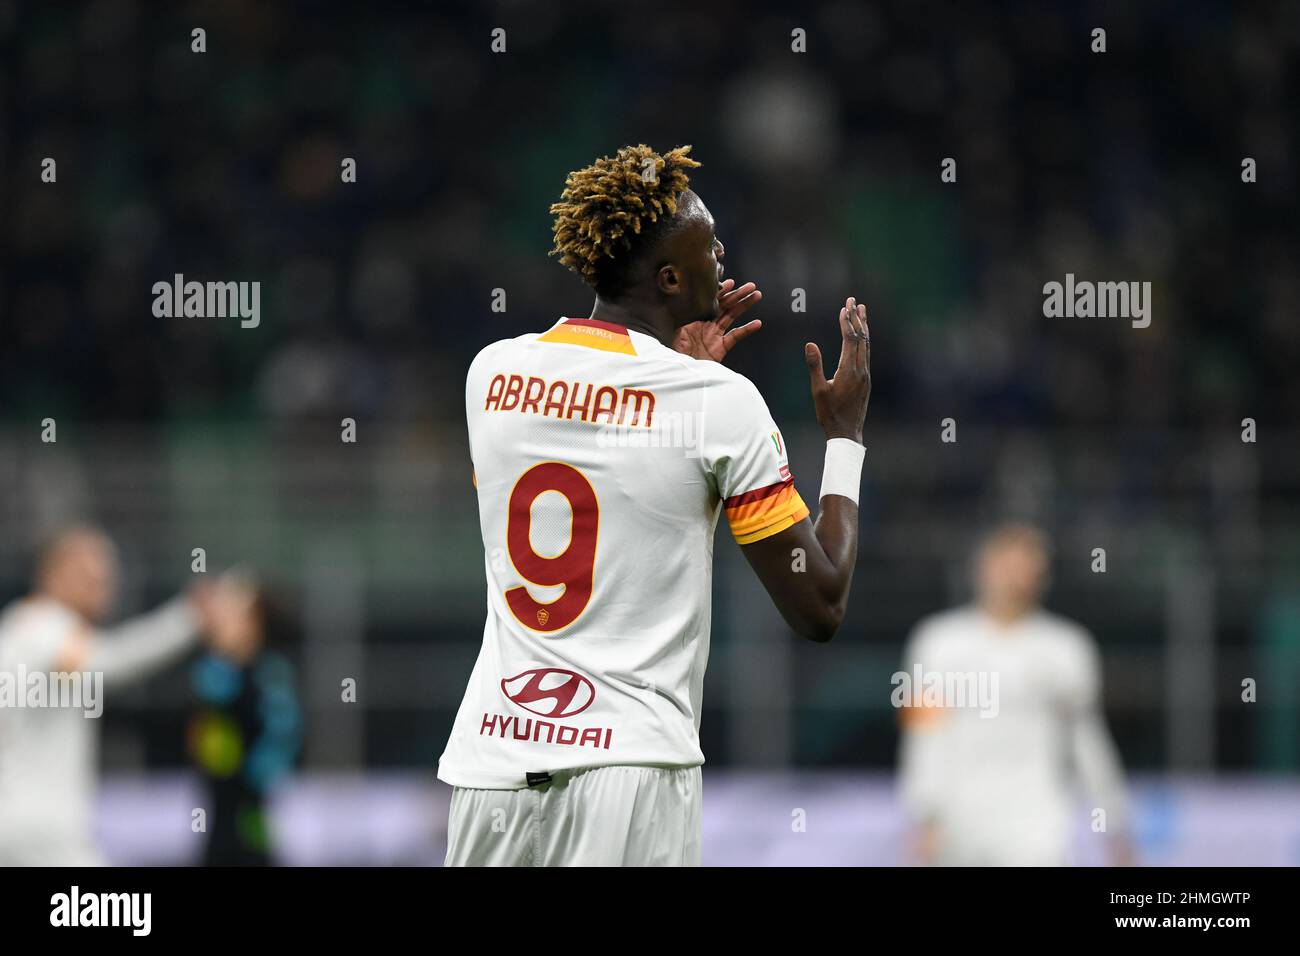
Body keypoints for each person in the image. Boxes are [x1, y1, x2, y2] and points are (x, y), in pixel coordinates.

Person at [439, 144, 873, 866]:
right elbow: (820, 603)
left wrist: (678, 370)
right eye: (711, 244)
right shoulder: (719, 404)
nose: (724, 255)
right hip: (630, 768)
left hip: (491, 769)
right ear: (670, 278)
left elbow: (600, 450)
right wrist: (846, 438)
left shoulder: (492, 372)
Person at [0, 525, 248, 865]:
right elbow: (108, 662)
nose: (107, 587)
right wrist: (189, 618)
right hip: (43, 838)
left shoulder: (18, 629)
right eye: (93, 577)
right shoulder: (48, 629)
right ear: (55, 573)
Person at [897, 524, 1134, 866]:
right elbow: (923, 735)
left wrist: (1114, 823)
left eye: (1030, 567)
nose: (1019, 577)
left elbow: (1087, 741)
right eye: (1009, 565)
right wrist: (924, 815)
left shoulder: (1067, 648)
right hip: (959, 821)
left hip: (1037, 824)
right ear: (982, 567)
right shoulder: (936, 642)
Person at [188, 584, 302, 866]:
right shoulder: (211, 672)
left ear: (252, 625)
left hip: (250, 814)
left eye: (231, 615)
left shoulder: (269, 676)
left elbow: (280, 738)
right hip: (218, 816)